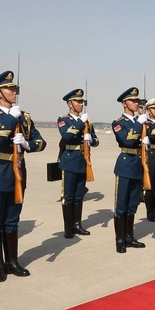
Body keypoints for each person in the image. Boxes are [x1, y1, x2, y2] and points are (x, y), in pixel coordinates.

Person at [0, 70, 47, 282]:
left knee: (12, 221)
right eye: (11, 88)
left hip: (18, 172)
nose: (15, 91)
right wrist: (11, 119)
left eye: (15, 88)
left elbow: (40, 142)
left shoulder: (24, 116)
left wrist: (28, 145)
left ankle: (12, 261)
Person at [57, 88, 99, 238]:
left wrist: (91, 139)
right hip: (69, 161)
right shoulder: (63, 120)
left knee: (79, 196)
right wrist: (80, 123)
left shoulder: (88, 122)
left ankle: (77, 224)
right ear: (70, 103)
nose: (81, 104)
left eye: (82, 101)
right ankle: (68, 227)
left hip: (83, 161)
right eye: (78, 101)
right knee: (68, 196)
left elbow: (96, 141)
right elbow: (67, 136)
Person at [111, 87, 146, 253]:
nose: (136, 103)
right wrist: (139, 125)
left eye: (137, 100)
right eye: (133, 100)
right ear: (125, 103)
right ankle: (119, 239)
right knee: (121, 204)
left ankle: (129, 237)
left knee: (132, 203)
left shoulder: (139, 122)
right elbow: (128, 140)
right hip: (125, 164)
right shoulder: (119, 123)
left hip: (138, 164)